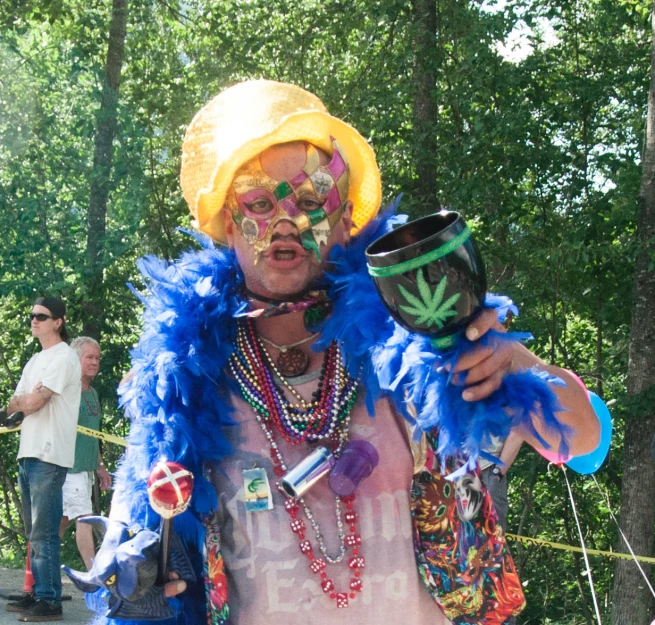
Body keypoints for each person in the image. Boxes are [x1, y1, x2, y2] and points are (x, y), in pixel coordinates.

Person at [77, 80, 599, 625]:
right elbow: (144, 530)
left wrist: (516, 365)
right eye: (259, 202)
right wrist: (137, 577)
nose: (285, 223)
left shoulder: (414, 336)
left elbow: (584, 444)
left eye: (309, 200)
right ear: (228, 225)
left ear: (347, 216)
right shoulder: (188, 370)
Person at [5, 296, 81, 622]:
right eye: (31, 316)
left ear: (58, 322)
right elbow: (16, 406)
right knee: (33, 532)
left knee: (45, 532)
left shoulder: (64, 357)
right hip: (29, 451)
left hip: (49, 455)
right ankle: (37, 592)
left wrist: (28, 400)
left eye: (41, 316)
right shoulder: (35, 360)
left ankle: (50, 601)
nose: (33, 320)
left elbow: (33, 402)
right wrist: (24, 400)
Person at [59, 337, 112, 570]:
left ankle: (36, 576)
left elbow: (94, 434)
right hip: (69, 467)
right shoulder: (65, 390)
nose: (94, 362)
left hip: (86, 468)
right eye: (89, 357)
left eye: (98, 358)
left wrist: (100, 466)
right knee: (85, 518)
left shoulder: (93, 393)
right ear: (76, 359)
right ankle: (95, 576)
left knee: (61, 522)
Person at [480, 430, 523, 531]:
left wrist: (497, 473)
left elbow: (520, 430)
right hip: (454, 469)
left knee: (492, 538)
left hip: (488, 467)